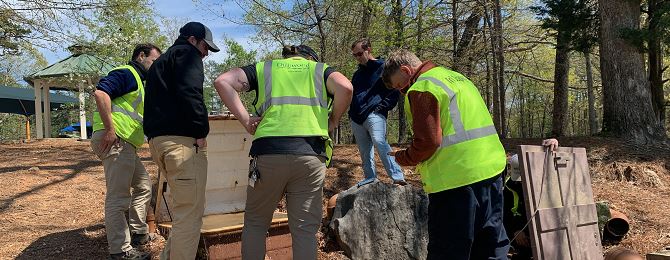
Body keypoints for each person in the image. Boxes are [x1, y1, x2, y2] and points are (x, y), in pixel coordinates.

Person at [213, 44, 353, 260]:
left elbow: (222, 81)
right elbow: (346, 87)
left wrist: (246, 120)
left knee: (256, 223)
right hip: (310, 154)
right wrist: (333, 120)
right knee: (305, 229)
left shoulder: (265, 69)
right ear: (310, 59)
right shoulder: (319, 70)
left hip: (268, 154)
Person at [383, 49, 509, 259]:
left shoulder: (423, 87)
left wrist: (403, 157)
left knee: (448, 251)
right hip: (492, 172)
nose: (402, 91)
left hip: (456, 182)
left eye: (400, 85)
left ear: (406, 70)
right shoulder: (458, 78)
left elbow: (428, 142)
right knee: (490, 247)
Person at [143, 21, 219, 260]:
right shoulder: (188, 55)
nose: (206, 54)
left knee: (184, 212)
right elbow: (191, 93)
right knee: (190, 216)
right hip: (183, 146)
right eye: (205, 47)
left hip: (159, 143)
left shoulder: (160, 63)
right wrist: (201, 131)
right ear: (193, 40)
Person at [91, 43, 161, 260]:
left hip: (125, 144)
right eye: (154, 61)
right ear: (141, 56)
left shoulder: (139, 83)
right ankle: (120, 251)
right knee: (118, 198)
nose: (156, 66)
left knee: (143, 186)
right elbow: (101, 93)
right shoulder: (127, 73)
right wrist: (110, 130)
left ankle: (139, 233)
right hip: (115, 140)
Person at [348, 39, 405, 186]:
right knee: (365, 151)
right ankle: (370, 179)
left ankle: (398, 177)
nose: (358, 57)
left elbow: (395, 90)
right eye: (355, 55)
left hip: (375, 113)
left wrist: (382, 107)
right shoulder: (357, 74)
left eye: (360, 53)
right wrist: (351, 112)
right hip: (356, 117)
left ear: (369, 49)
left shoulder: (385, 67)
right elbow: (353, 94)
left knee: (380, 142)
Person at [503, 138, 559, 260]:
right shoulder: (508, 188)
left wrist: (553, 142)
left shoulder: (542, 180)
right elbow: (504, 214)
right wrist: (515, 230)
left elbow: (551, 162)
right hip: (520, 232)